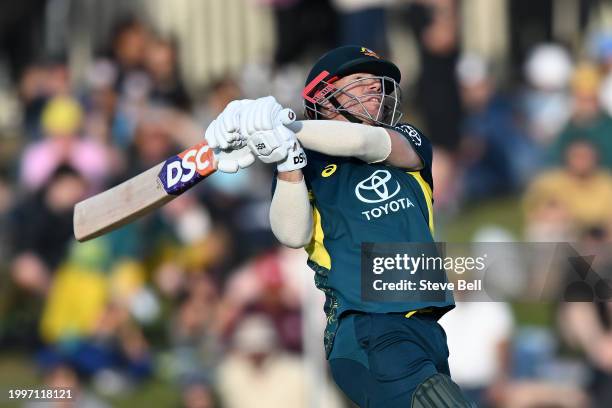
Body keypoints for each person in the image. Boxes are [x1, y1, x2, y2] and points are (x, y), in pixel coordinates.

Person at [204, 45, 472, 407]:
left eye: (378, 83)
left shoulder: (407, 140)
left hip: (425, 330)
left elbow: (364, 141)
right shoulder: (307, 166)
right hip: (369, 329)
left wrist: (285, 127)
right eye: (360, 82)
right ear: (325, 99)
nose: (375, 89)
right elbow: (291, 234)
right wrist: (287, 163)